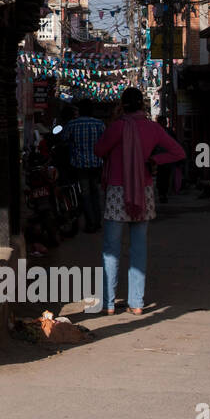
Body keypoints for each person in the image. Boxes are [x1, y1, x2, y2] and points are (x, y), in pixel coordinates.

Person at [93, 88, 186, 316]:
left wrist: (115, 123)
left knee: (111, 249)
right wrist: (154, 159)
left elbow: (99, 150)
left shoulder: (117, 127)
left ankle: (109, 304)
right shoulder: (153, 128)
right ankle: (136, 303)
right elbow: (178, 152)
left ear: (123, 106)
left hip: (117, 191)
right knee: (139, 248)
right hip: (142, 192)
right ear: (143, 106)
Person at [62, 99, 106, 235]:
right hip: (96, 164)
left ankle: (90, 223)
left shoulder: (72, 124)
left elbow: (64, 139)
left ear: (79, 111)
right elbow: (105, 141)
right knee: (95, 192)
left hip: (80, 165)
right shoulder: (99, 124)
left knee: (85, 193)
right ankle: (97, 221)